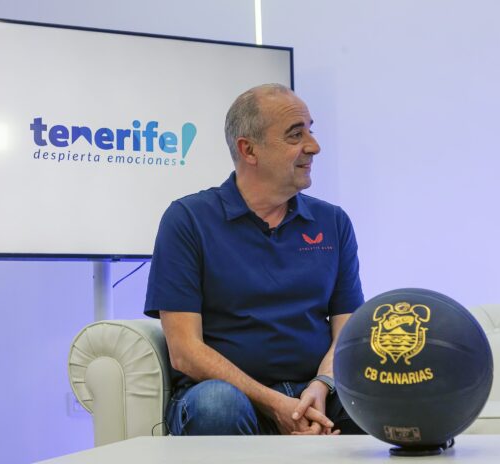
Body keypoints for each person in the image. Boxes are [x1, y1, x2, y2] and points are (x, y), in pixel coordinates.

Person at [144, 83, 365, 436]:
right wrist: (276, 404)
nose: (314, 146)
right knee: (217, 406)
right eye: (295, 135)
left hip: (315, 393)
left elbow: (349, 329)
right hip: (229, 394)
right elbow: (185, 351)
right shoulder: (188, 219)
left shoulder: (333, 222)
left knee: (381, 397)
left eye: (311, 130)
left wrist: (321, 385)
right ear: (249, 150)